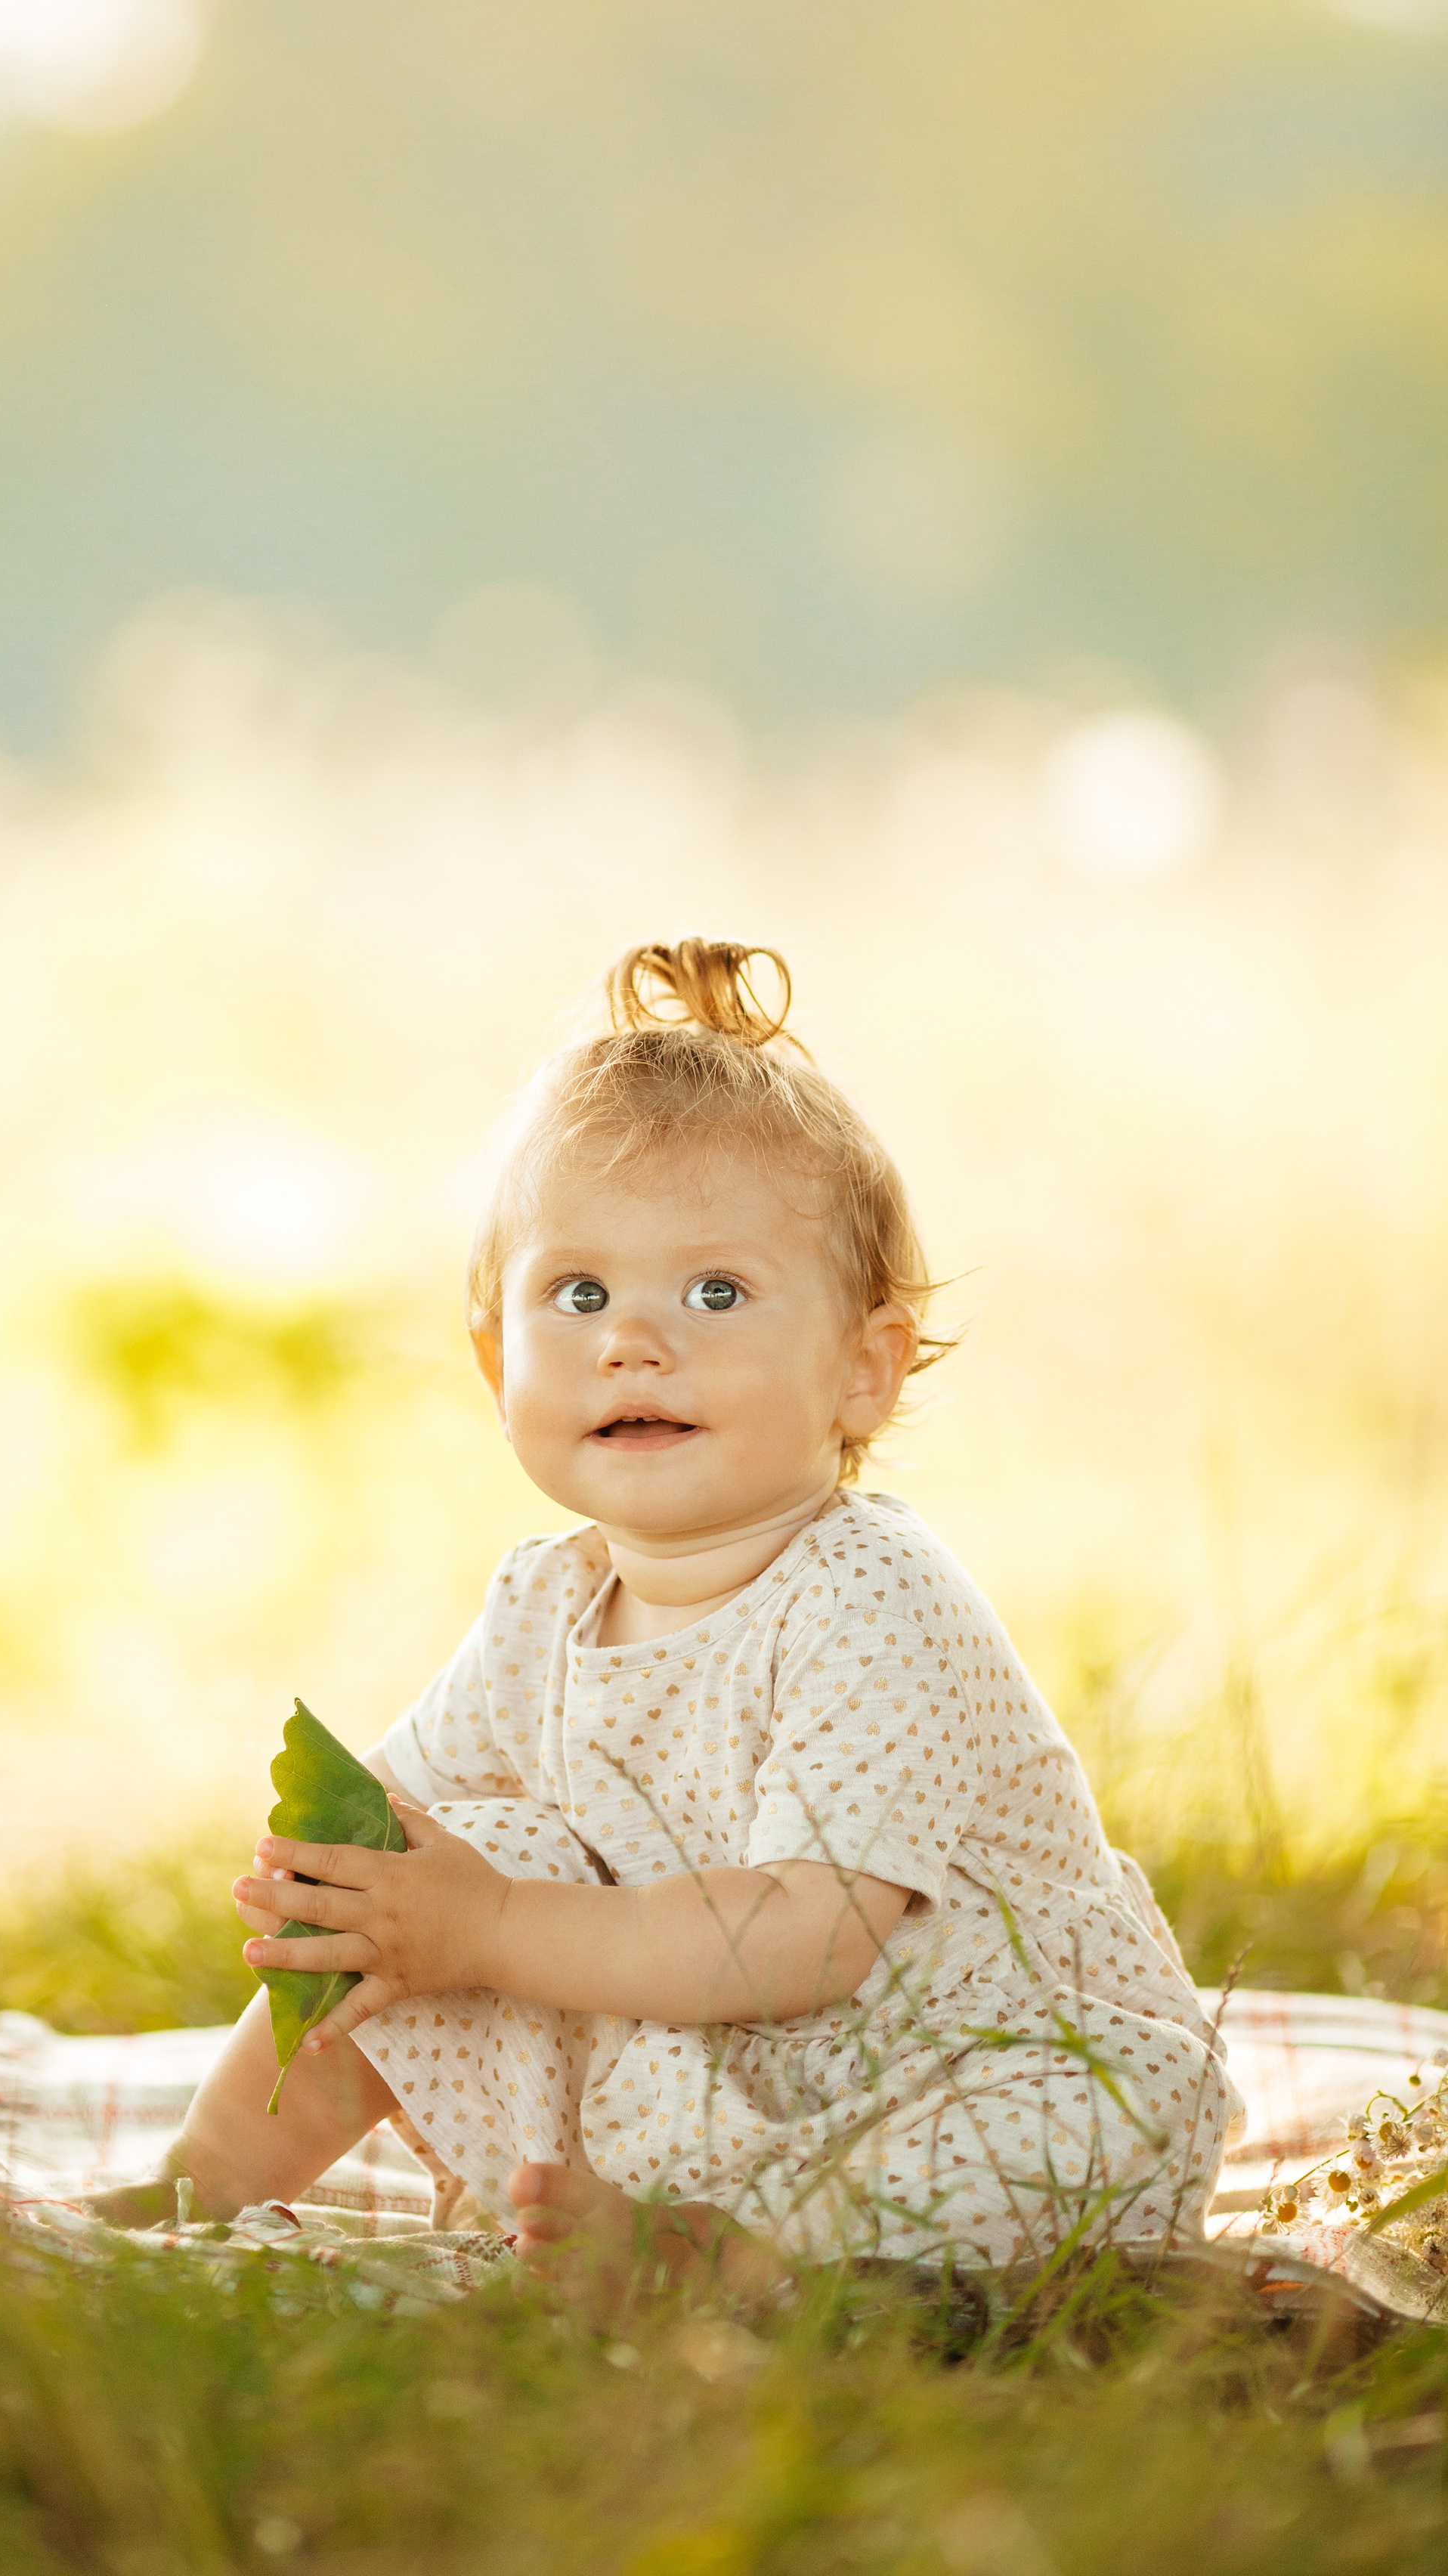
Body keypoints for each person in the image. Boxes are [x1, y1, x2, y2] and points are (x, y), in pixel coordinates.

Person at [110, 938, 1236, 2296]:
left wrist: (493, 1924)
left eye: (715, 1293)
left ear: (863, 1370)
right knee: (441, 1880)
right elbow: (401, 1845)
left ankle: (738, 2259)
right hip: (715, 2075)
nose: (633, 1341)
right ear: (497, 1362)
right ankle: (199, 2190)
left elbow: (811, 1936)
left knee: (1101, 2110)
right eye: (578, 1295)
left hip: (953, 2057)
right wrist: (353, 1890)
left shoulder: (872, 1596)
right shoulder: (545, 1603)